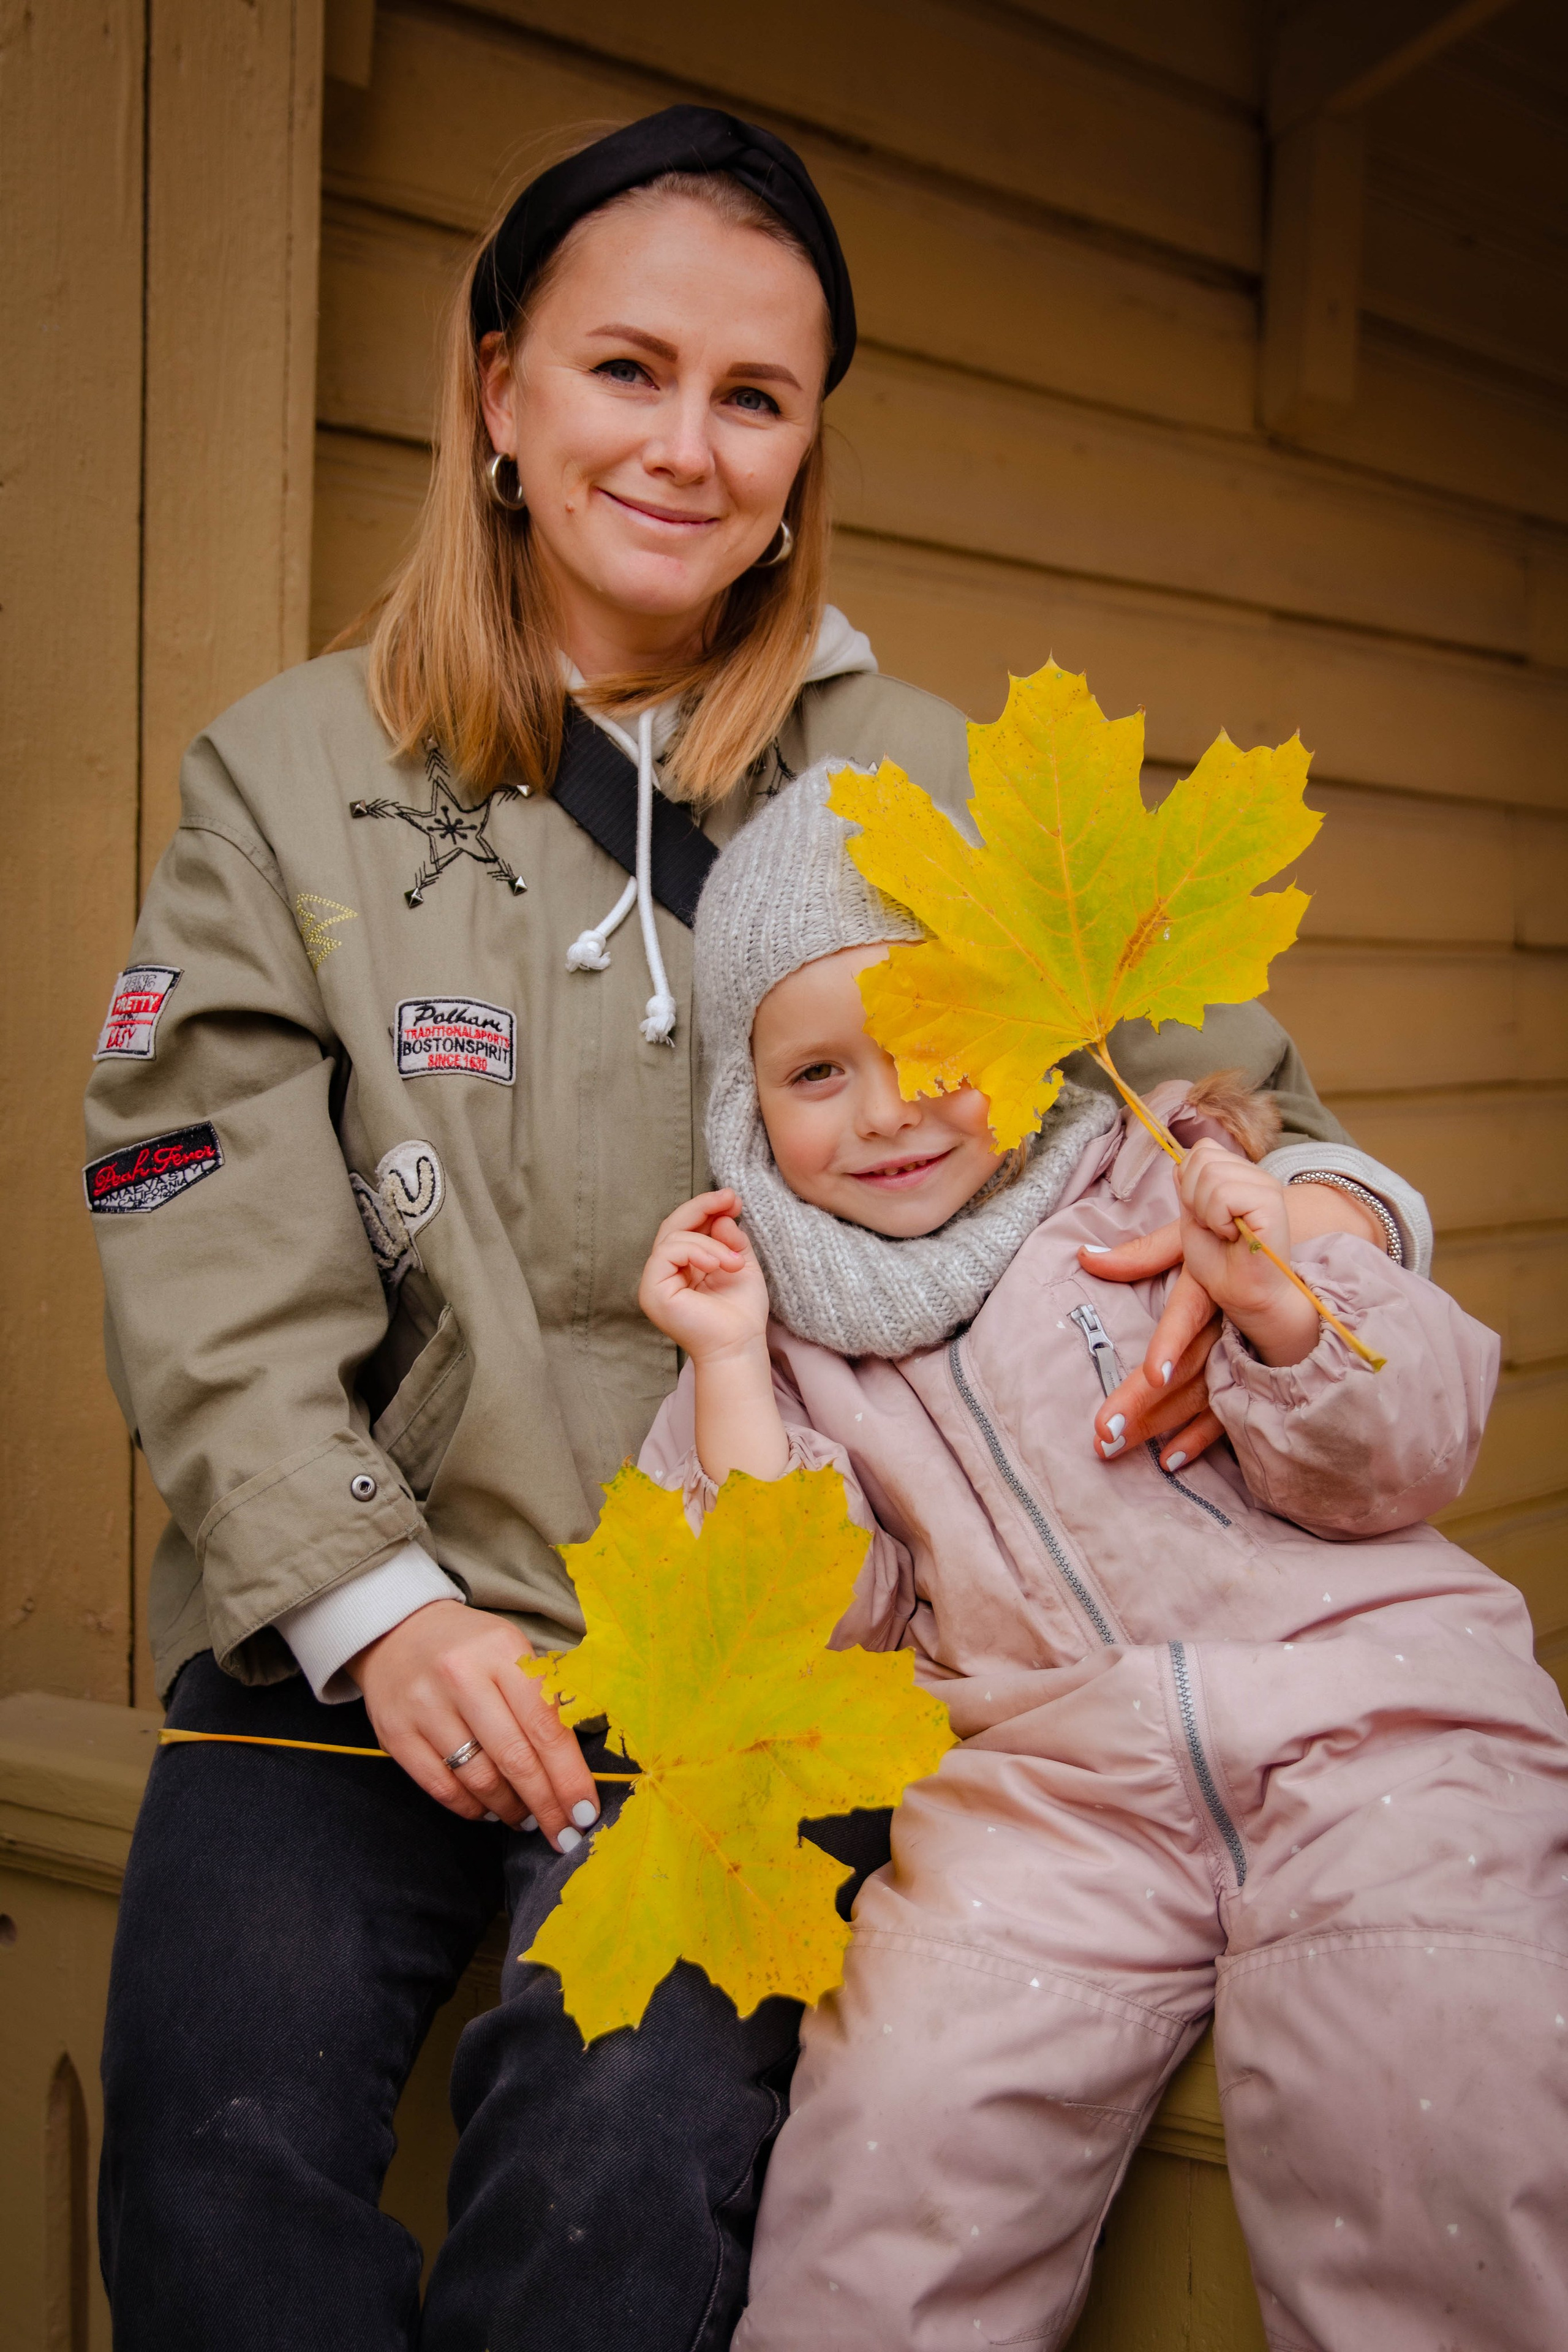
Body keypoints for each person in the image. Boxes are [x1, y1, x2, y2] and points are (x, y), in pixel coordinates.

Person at [85, 107, 1428, 2352]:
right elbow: (189, 1190)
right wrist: (376, 1609)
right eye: (627, 371)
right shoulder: (289, 773)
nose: (687, 447)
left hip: (760, 1664)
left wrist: (1260, 1232)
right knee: (218, 2188)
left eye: (756, 398)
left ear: (808, 453)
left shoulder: (933, 786)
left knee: (613, 2202)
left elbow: (1260, 1112)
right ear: (498, 391)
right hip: (356, 1624)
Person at [635, 762, 1568, 2352]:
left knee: (1437, 2077)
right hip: (1041, 1802)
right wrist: (726, 1367)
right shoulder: (774, 1341)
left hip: (1376, 1732)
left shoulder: (1155, 1178)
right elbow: (788, 1659)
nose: (891, 1106)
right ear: (742, 1104)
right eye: (816, 1072)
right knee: (895, 2139)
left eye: (938, 1033)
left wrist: (1276, 1298)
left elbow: (1413, 1450)